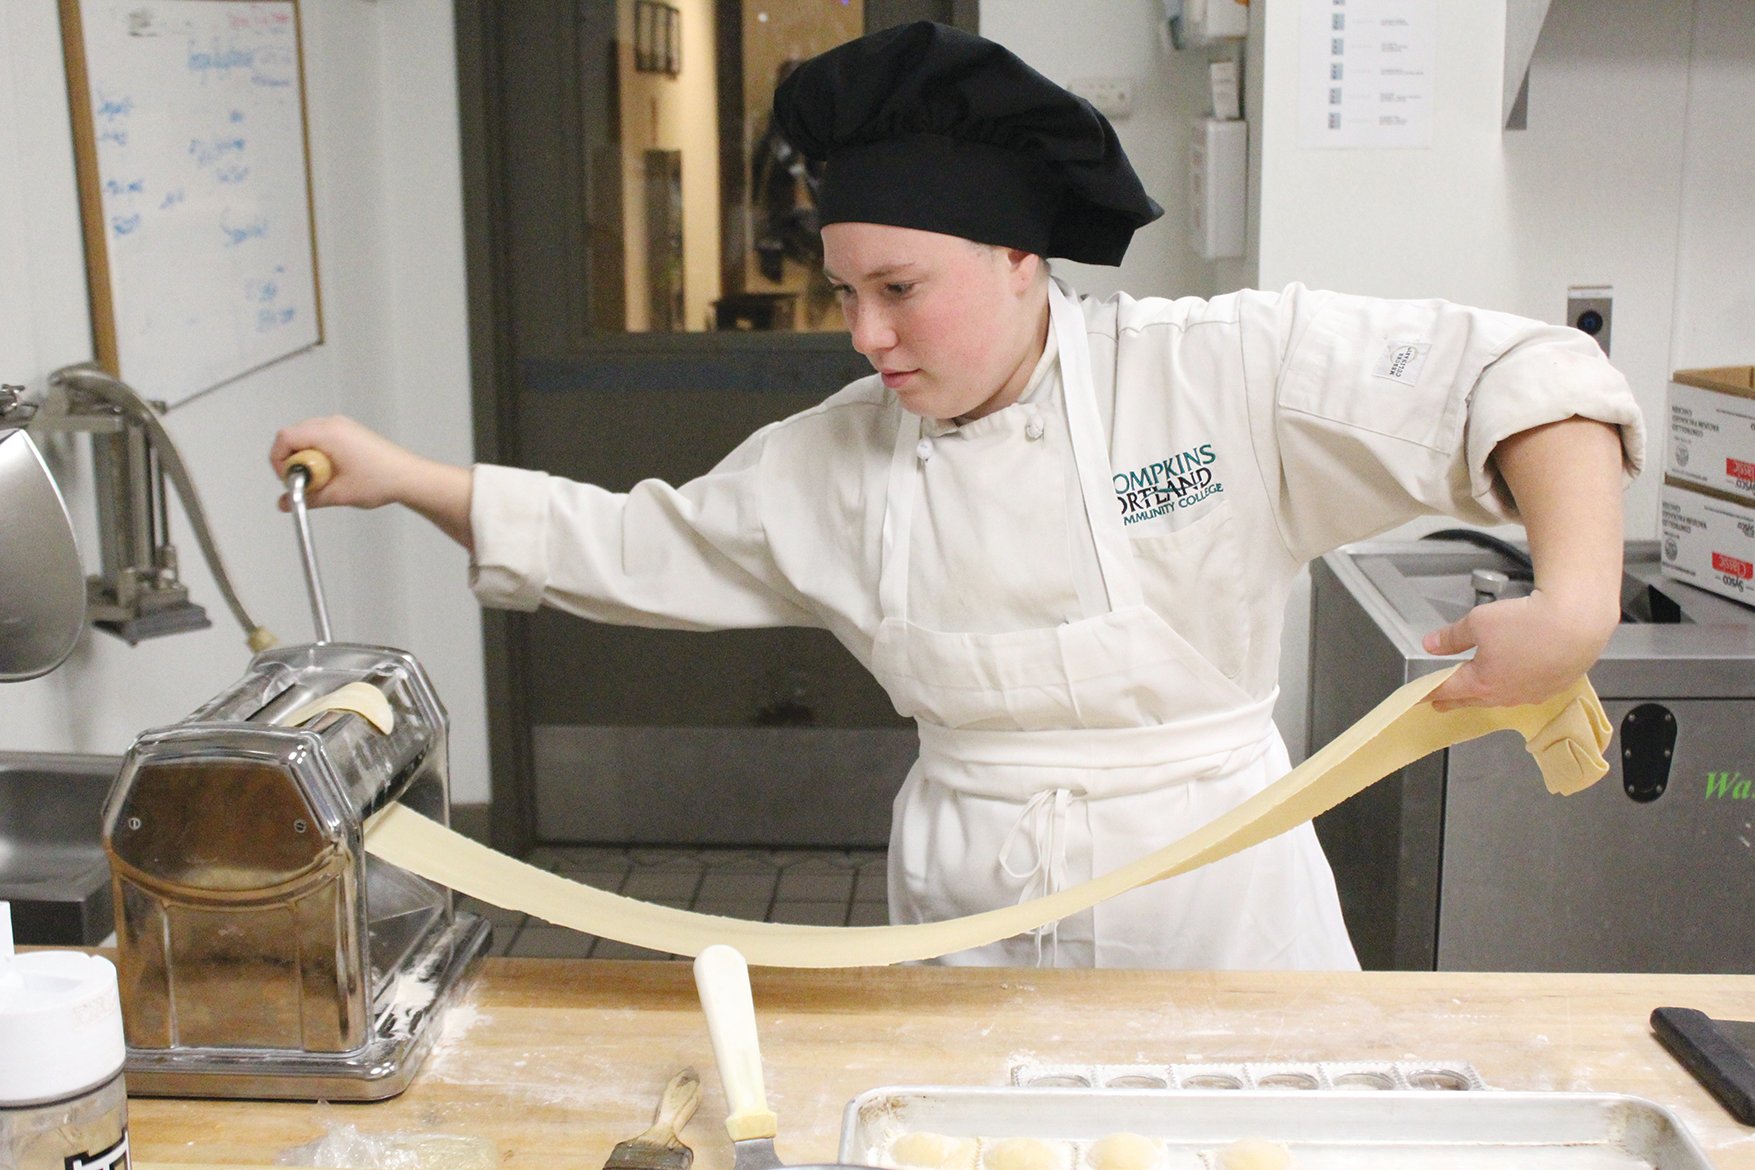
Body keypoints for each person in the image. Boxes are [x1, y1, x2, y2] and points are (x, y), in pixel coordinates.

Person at [271, 22, 1644, 969]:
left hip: (1220, 921)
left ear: (1020, 258)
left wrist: (1575, 605)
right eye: (844, 291)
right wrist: (408, 480)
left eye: (900, 289)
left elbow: (1528, 374)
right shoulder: (831, 461)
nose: (865, 335)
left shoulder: (1217, 373)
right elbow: (628, 543)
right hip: (969, 928)